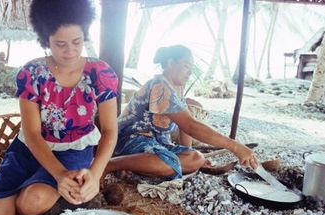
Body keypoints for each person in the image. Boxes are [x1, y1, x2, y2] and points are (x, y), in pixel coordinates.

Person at [0, 0, 118, 215]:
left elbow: (110, 130)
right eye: (60, 44)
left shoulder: (100, 73)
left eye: (77, 42)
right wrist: (59, 176)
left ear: (85, 35)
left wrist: (96, 173)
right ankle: (10, 185)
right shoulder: (32, 73)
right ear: (45, 39)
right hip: (30, 149)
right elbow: (31, 133)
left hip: (73, 150)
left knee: (32, 203)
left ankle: (13, 188)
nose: (70, 51)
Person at [104, 45, 258, 180]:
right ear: (171, 63)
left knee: (196, 158)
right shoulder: (160, 85)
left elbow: (185, 129)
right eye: (186, 66)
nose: (190, 72)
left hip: (156, 145)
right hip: (130, 139)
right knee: (167, 163)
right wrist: (236, 147)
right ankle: (112, 164)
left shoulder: (176, 92)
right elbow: (191, 126)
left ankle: (136, 166)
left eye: (191, 68)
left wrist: (188, 153)